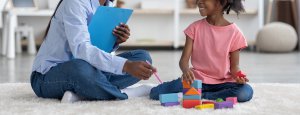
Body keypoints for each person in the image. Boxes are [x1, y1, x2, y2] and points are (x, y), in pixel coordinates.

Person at [30, 0, 156, 103]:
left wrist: (115, 41)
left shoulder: (108, 4)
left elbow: (96, 49)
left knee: (143, 57)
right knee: (80, 67)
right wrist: (125, 65)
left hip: (87, 70)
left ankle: (81, 93)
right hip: (46, 77)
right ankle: (127, 94)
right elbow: (81, 50)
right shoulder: (75, 2)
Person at [149, 0, 253, 102]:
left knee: (244, 92)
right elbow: (183, 61)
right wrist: (186, 71)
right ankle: (203, 95)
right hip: (195, 80)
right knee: (155, 93)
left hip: (223, 83)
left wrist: (239, 76)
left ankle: (201, 95)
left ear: (222, 2)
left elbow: (234, 67)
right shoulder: (194, 28)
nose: (199, 2)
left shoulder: (235, 33)